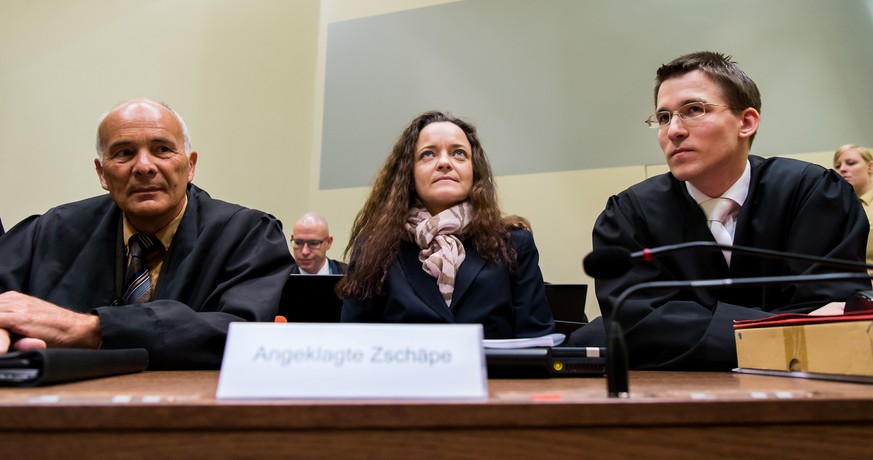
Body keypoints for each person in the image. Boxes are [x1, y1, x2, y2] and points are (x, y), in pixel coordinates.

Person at [570, 51, 869, 370]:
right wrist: (781, 329)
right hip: (676, 397)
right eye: (664, 117)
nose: (674, 131)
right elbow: (637, 326)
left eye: (693, 110)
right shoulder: (629, 214)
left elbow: (832, 317)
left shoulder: (813, 193)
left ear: (746, 122)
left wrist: (700, 330)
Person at [0, 99, 294, 369]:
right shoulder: (52, 230)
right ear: (102, 173)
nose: (144, 166)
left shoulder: (247, 235)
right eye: (124, 153)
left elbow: (241, 333)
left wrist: (88, 329)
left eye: (162, 149)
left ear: (190, 165)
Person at [339, 111, 554, 338]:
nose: (444, 163)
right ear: (409, 176)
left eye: (458, 153)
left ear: (474, 171)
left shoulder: (515, 245)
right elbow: (356, 347)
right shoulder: (373, 249)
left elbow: (537, 342)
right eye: (428, 154)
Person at [833, 144, 873, 270]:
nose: (842, 169)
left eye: (851, 163)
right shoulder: (834, 207)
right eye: (837, 166)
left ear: (870, 167)